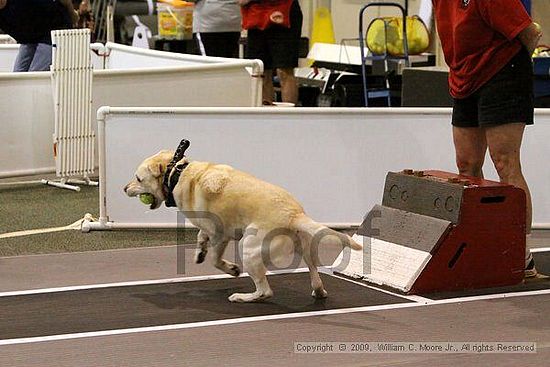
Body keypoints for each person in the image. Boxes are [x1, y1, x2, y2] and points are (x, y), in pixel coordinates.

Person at [432, 0, 542, 277]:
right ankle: (481, 245)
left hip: (502, 73)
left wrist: (504, 64)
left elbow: (531, 33)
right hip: (464, 76)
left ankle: (521, 255)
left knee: (505, 162)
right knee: (466, 166)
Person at [239, 0, 303, 105]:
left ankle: (289, 117)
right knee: (261, 72)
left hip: (283, 14)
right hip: (256, 17)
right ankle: (266, 115)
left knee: (284, 71)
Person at [0, 0, 78, 72]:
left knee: (34, 74)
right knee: (17, 74)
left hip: (53, 30)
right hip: (30, 36)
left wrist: (72, 13)